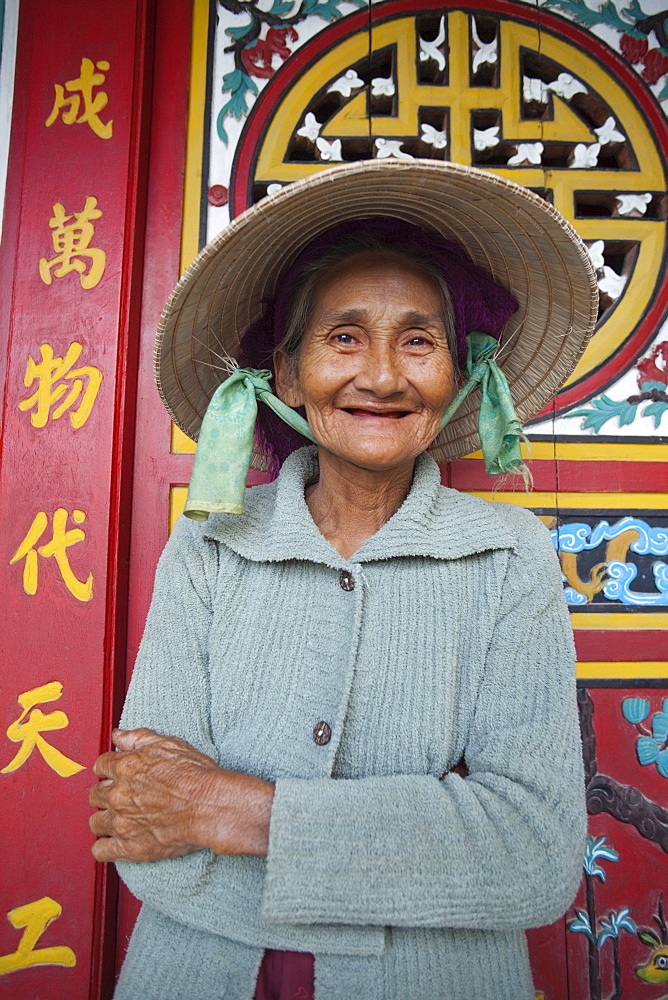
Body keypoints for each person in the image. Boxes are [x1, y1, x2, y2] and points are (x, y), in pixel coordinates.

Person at [88, 159, 597, 1000]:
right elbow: (143, 818)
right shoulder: (212, 546)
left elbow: (533, 857)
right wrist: (419, 846)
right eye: (345, 336)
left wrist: (232, 810)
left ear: (458, 375)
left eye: (419, 340)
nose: (385, 375)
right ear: (285, 375)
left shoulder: (509, 557)